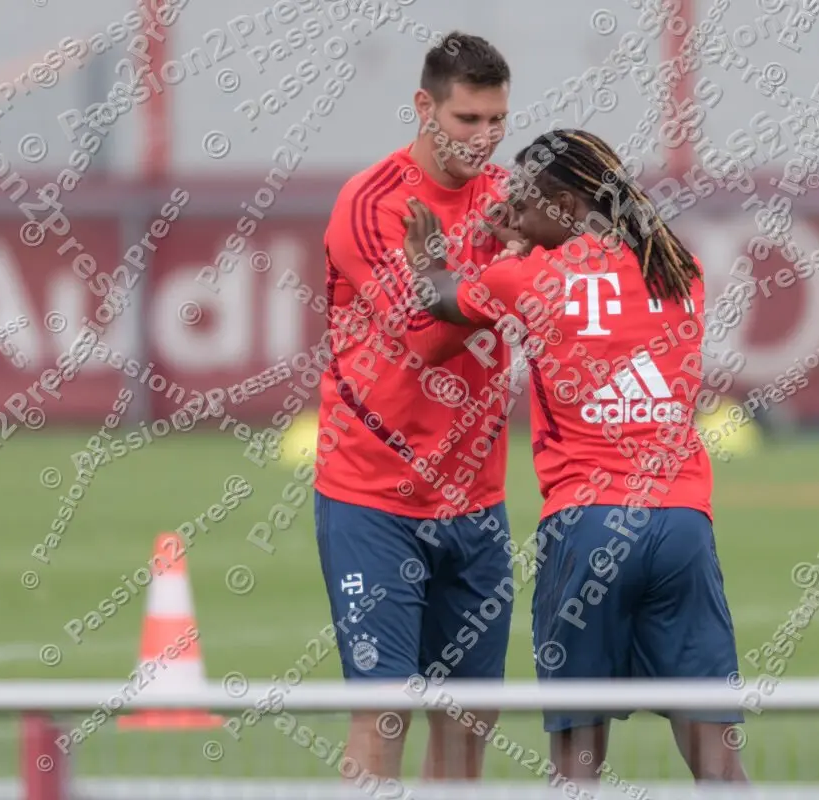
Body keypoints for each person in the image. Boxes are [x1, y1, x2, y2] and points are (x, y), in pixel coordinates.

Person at [402, 128, 749, 784]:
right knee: (720, 767)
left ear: (561, 200)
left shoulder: (530, 276)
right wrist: (527, 237)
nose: (519, 217)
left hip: (586, 525)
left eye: (527, 204)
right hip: (681, 522)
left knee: (578, 771)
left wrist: (430, 260)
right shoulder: (680, 267)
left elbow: (439, 298)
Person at [315, 31, 523, 782]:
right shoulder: (371, 202)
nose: (485, 136)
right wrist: (502, 275)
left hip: (476, 499)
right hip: (374, 497)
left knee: (469, 719)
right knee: (384, 710)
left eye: (497, 119)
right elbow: (418, 336)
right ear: (424, 107)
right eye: (467, 119)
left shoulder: (510, 199)